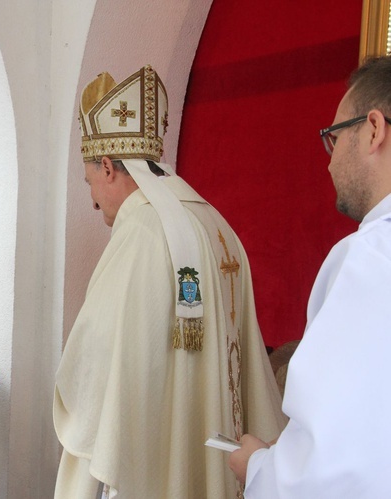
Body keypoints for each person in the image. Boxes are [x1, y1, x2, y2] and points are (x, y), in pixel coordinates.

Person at [53, 66, 286, 498]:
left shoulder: (140, 232)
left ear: (107, 166)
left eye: (90, 183)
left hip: (157, 468)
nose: (92, 200)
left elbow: (97, 361)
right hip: (223, 461)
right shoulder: (217, 223)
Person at [229, 55, 391, 498]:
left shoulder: (367, 258)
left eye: (334, 138)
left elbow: (327, 467)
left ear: (373, 129)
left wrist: (259, 467)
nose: (329, 162)